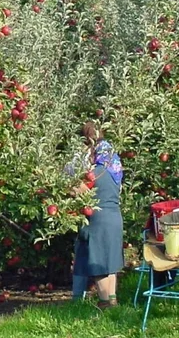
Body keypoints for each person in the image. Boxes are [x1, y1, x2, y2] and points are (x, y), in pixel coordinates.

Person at [71, 122, 124, 308]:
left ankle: (105, 304)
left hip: (98, 219)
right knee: (110, 261)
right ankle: (112, 301)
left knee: (99, 263)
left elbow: (80, 191)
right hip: (115, 218)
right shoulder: (114, 167)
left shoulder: (93, 173)